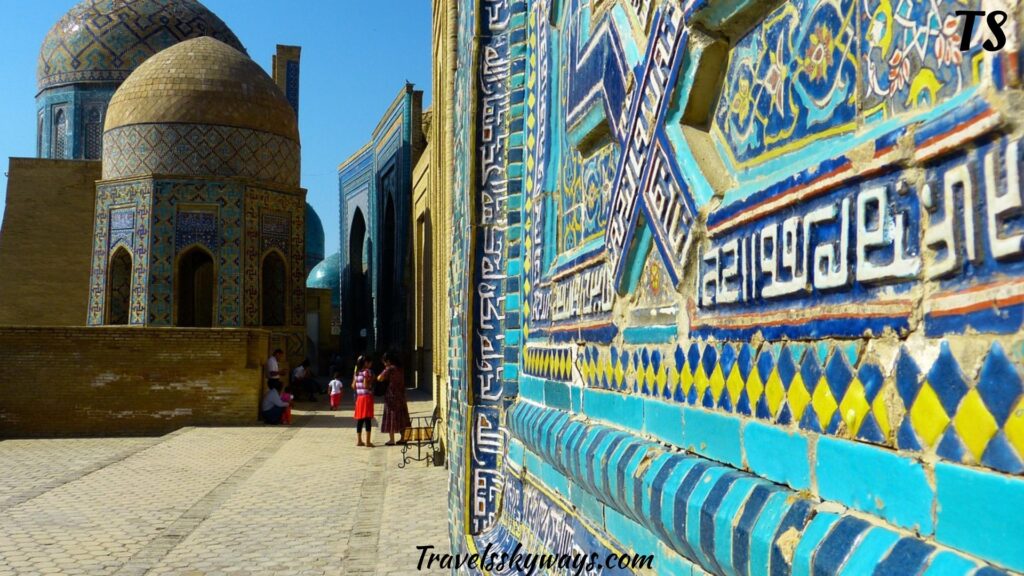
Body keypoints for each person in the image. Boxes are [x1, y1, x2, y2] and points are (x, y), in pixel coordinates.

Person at [377, 351, 411, 446]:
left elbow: (379, 378)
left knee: (391, 417)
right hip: (401, 396)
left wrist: (385, 370)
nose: (384, 364)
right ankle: (403, 438)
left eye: (384, 362)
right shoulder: (400, 368)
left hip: (391, 396)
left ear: (388, 361)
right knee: (401, 416)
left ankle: (391, 440)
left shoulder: (390, 369)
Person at [352, 356, 375, 447]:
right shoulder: (367, 372)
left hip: (359, 398)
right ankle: (368, 442)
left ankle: (359, 441)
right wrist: (371, 383)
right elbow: (366, 385)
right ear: (366, 363)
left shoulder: (357, 373)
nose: (371, 364)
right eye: (370, 363)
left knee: (360, 420)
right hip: (366, 397)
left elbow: (353, 386)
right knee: (368, 419)